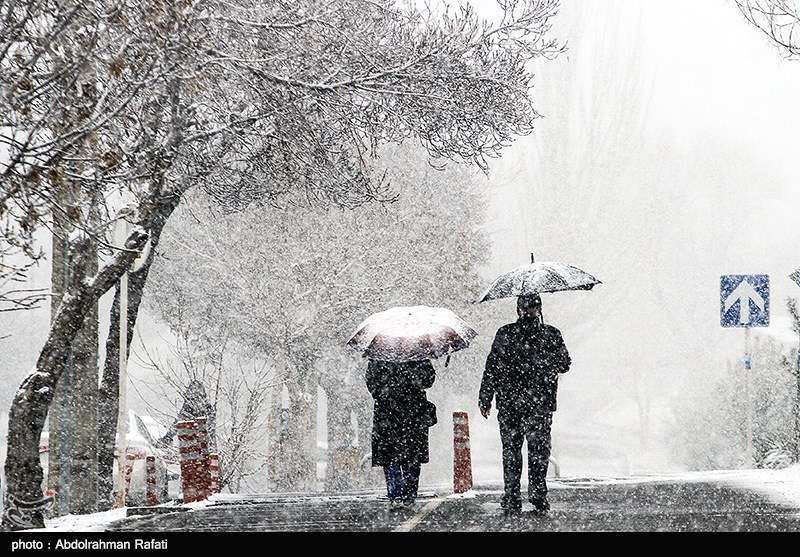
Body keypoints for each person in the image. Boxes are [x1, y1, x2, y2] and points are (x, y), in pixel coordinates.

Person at [478, 293, 571, 516]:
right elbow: (565, 364)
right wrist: (546, 358)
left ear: (517, 310)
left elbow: (492, 367)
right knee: (539, 451)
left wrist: (485, 397)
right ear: (539, 309)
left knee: (511, 450)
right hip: (540, 403)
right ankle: (538, 494)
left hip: (510, 403)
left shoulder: (505, 333)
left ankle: (512, 496)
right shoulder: (551, 334)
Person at [365, 358, 437, 510]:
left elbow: (372, 384)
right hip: (412, 412)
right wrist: (412, 380)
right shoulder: (418, 355)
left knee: (391, 455)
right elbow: (428, 380)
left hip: (388, 413)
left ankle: (396, 494)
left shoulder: (379, 356)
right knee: (411, 456)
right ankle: (408, 494)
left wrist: (385, 393)